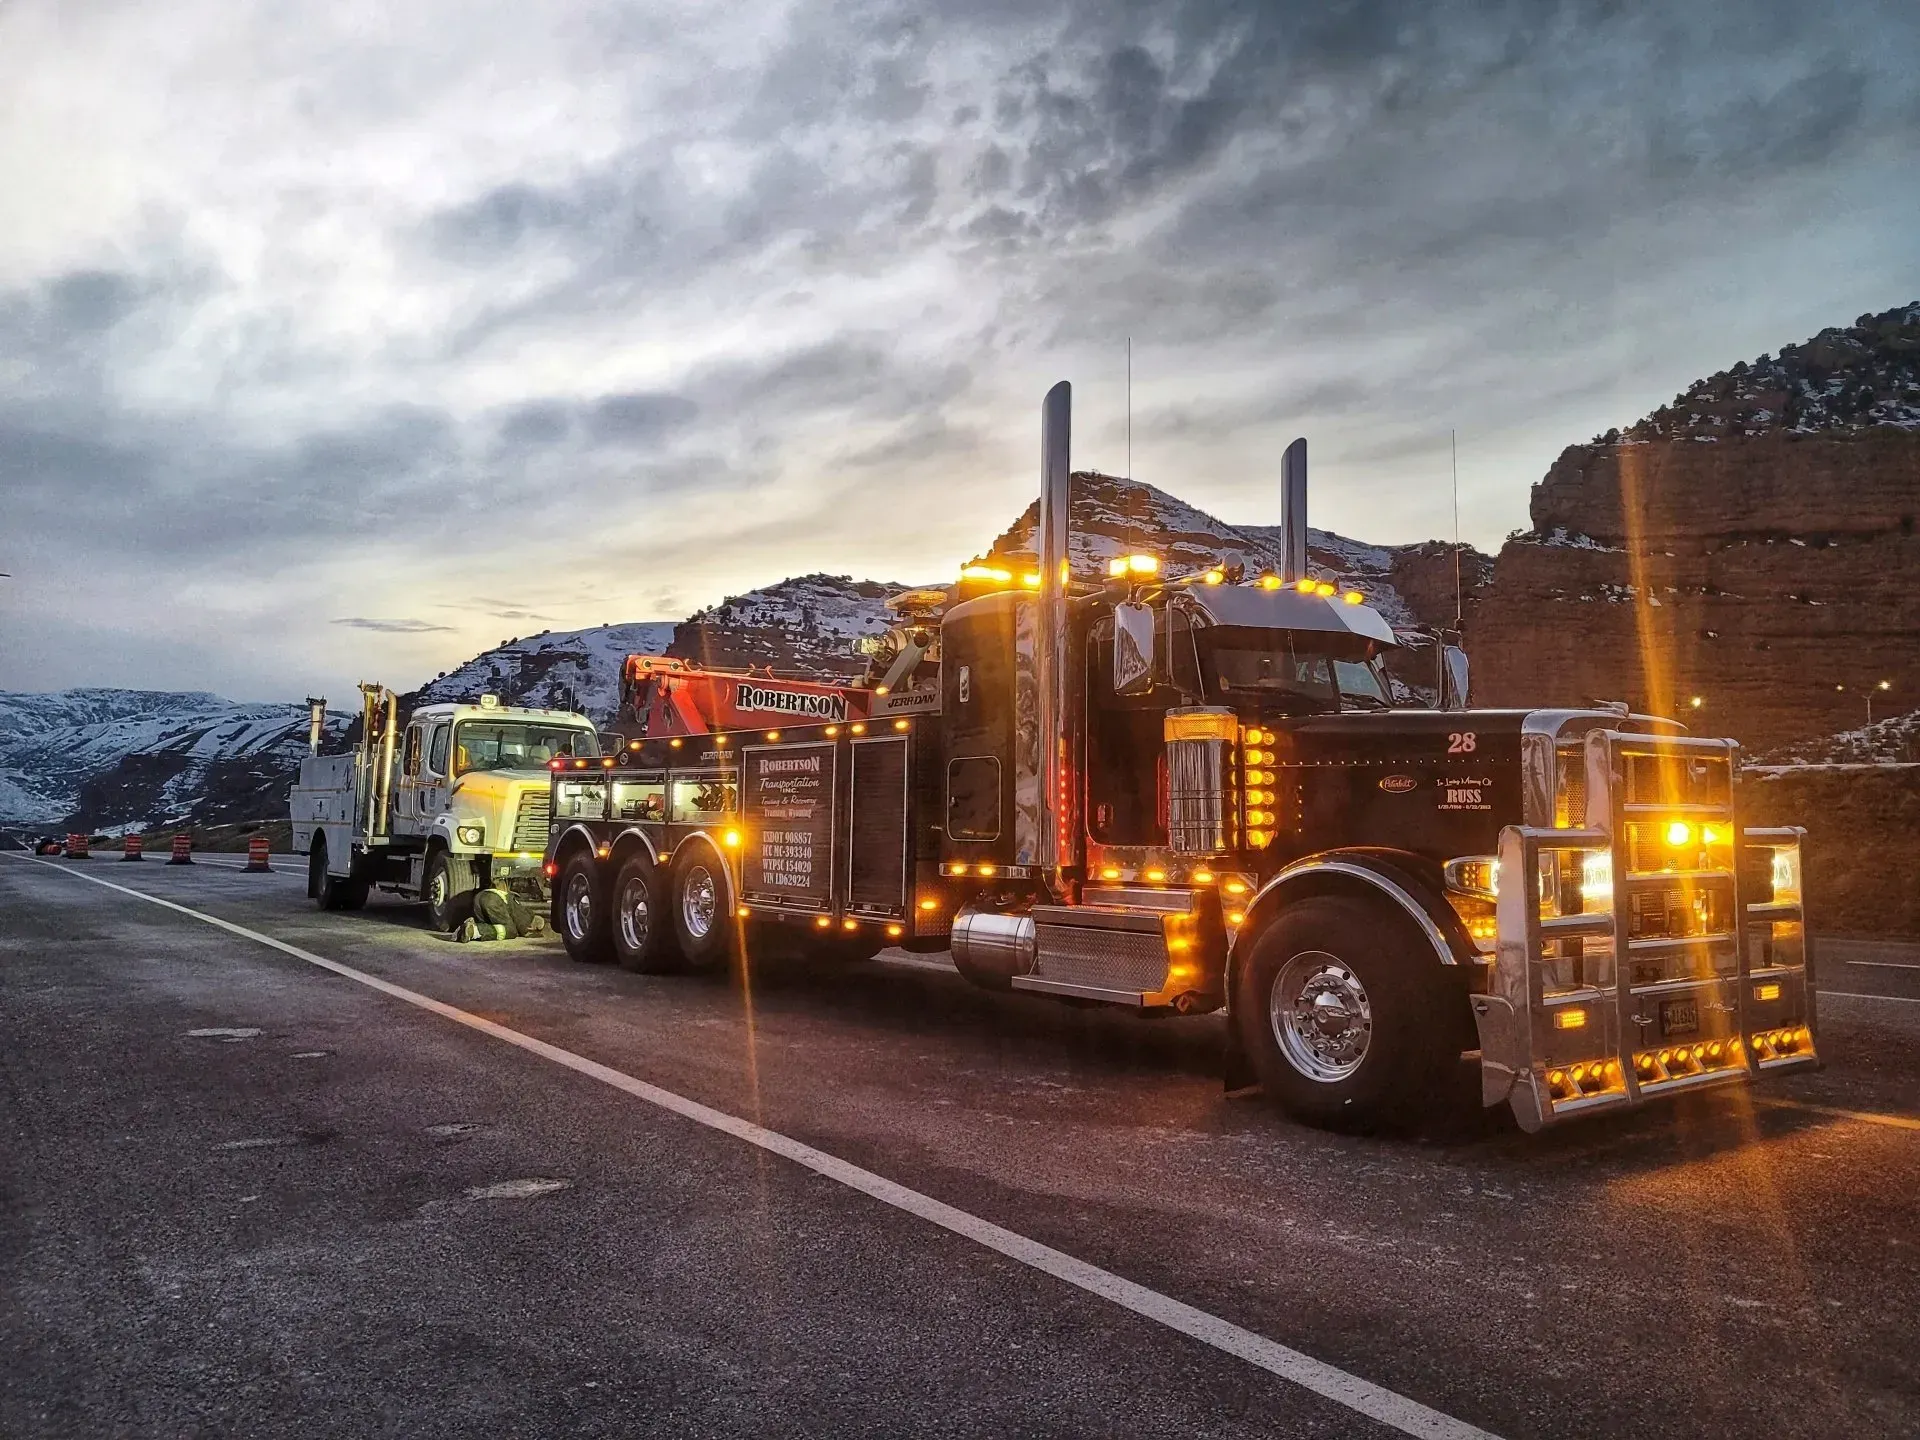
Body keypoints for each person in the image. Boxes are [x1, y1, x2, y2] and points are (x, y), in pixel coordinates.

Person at [456, 876, 547, 942]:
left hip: (479, 898)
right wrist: (527, 932)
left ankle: (468, 928)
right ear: (533, 926)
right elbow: (521, 923)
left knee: (496, 925)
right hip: (493, 900)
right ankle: (475, 931)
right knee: (511, 931)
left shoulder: (509, 902)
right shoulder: (528, 915)